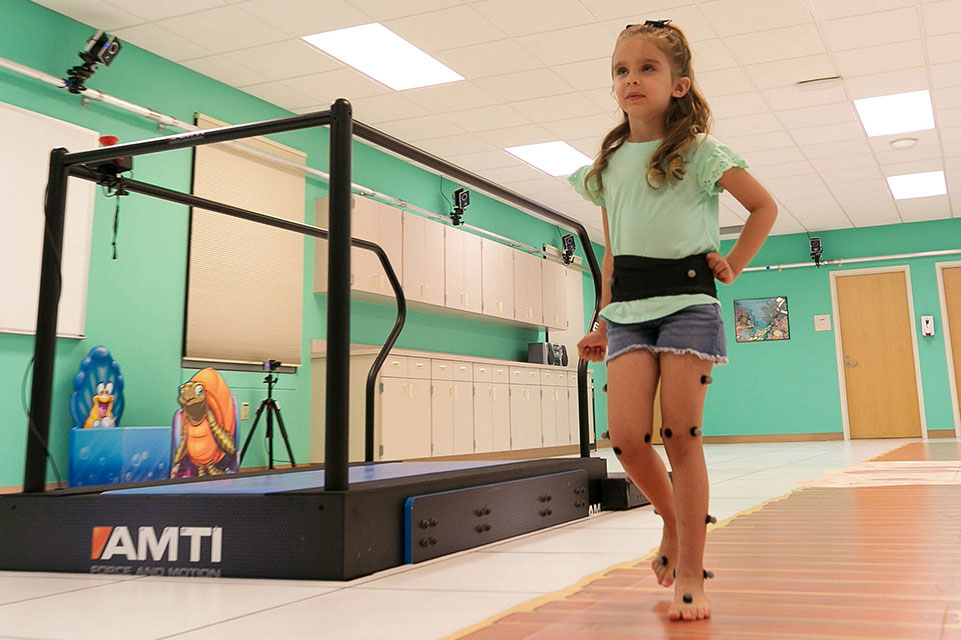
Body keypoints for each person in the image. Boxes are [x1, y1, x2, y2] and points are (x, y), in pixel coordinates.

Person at [569, 20, 777, 622]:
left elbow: (763, 206)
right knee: (627, 439)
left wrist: (733, 264)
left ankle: (691, 568)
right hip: (630, 310)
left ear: (679, 84)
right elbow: (613, 254)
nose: (631, 79)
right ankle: (670, 518)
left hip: (689, 300)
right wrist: (602, 322)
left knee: (680, 434)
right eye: (620, 70)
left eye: (646, 68)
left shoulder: (702, 151)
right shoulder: (608, 165)